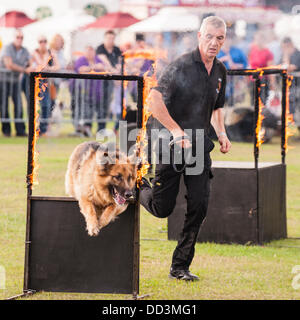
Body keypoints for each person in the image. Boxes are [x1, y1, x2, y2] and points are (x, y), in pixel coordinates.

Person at [140, 16, 231, 281]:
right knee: (161, 208)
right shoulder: (181, 65)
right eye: (210, 36)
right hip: (171, 144)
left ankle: (179, 266)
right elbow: (153, 100)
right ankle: (137, 185)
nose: (214, 42)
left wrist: (222, 132)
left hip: (199, 145)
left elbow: (217, 106)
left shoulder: (220, 71)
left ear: (224, 40)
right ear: (200, 36)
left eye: (220, 38)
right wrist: (175, 130)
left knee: (199, 204)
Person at [0, 29, 32, 137]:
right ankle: (6, 131)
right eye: (17, 37)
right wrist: (24, 70)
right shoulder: (7, 48)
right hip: (3, 80)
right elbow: (8, 64)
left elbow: (31, 63)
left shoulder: (25, 50)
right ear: (14, 38)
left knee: (18, 105)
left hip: (15, 81)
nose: (19, 39)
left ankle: (20, 130)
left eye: (21, 37)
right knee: (4, 106)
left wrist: (31, 67)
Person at [70, 45, 105, 137]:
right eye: (88, 51)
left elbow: (103, 67)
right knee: (82, 110)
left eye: (92, 51)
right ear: (85, 52)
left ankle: (92, 129)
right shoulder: (81, 60)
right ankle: (80, 129)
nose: (90, 53)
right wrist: (94, 67)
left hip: (96, 92)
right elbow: (81, 69)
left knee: (94, 111)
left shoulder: (98, 59)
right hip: (81, 91)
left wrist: (90, 67)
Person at [31, 35, 60, 136]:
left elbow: (57, 66)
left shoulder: (51, 53)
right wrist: (45, 66)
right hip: (35, 83)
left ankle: (43, 129)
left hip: (48, 83)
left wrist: (48, 68)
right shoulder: (35, 53)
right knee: (37, 106)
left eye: (44, 41)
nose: (43, 43)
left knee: (48, 105)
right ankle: (37, 129)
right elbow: (34, 66)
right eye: (40, 41)